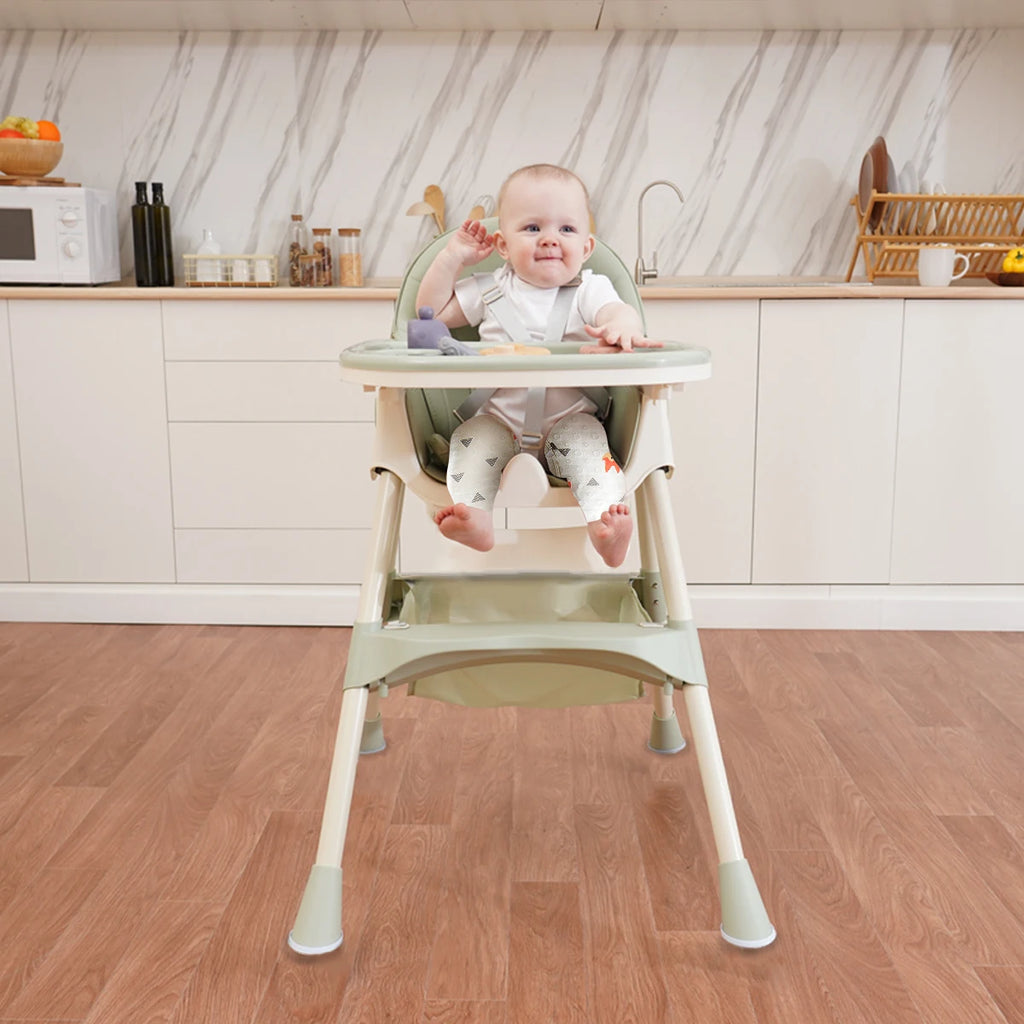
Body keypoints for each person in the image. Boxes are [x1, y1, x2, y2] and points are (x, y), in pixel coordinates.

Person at [415, 163, 660, 568]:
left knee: (589, 449)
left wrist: (623, 328)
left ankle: (605, 524)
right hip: (498, 423)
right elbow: (431, 312)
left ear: (586, 247)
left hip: (571, 421)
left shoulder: (590, 289)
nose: (549, 238)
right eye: (532, 228)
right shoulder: (488, 289)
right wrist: (452, 257)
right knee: (471, 440)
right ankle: (476, 517)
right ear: (503, 245)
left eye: (566, 229)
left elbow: (618, 312)